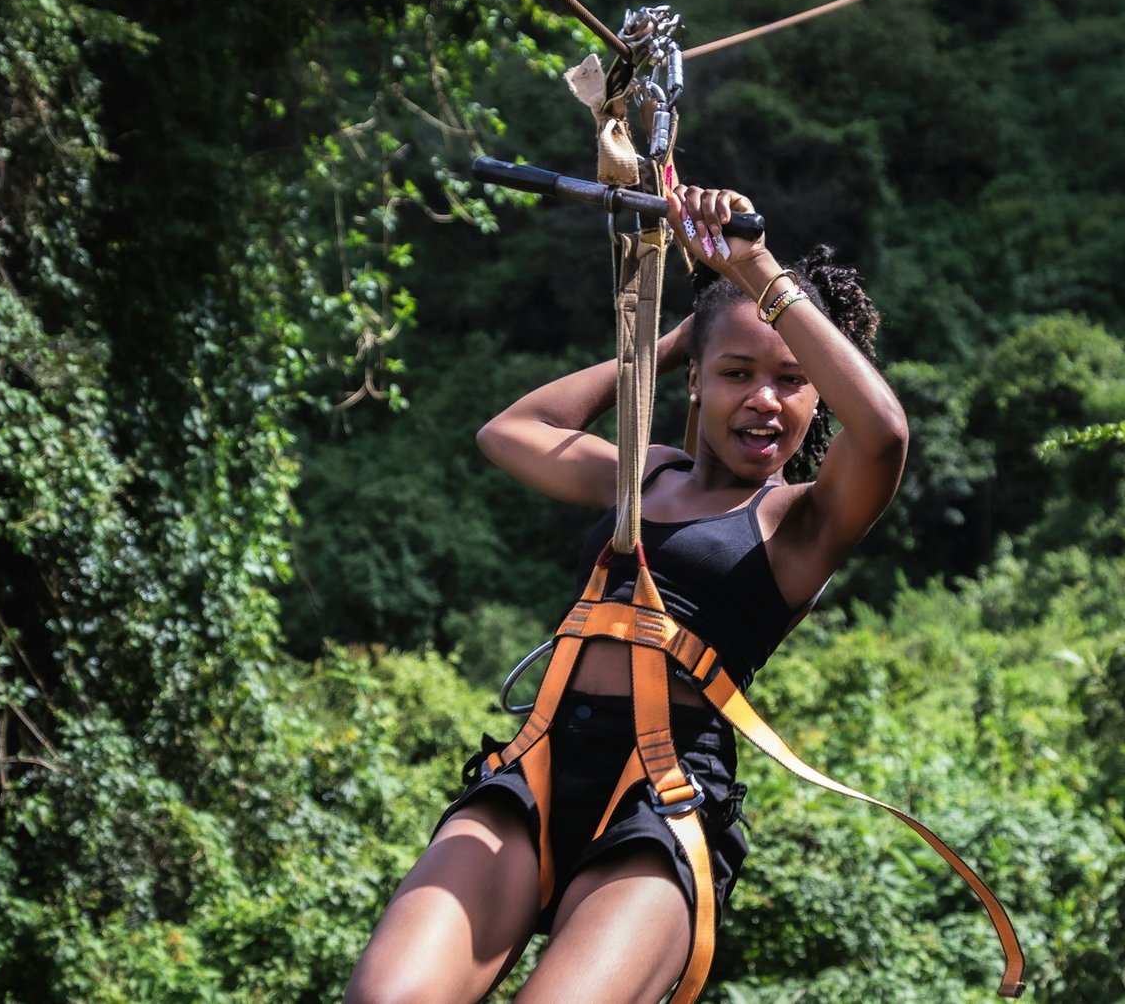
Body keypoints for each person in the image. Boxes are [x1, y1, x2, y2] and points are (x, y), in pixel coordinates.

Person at [345, 183, 909, 1004]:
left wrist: (755, 269)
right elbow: (510, 434)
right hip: (535, 762)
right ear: (694, 382)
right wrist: (672, 340)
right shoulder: (645, 473)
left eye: (791, 380)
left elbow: (885, 432)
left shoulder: (800, 520)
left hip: (664, 794)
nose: (762, 398)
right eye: (736, 372)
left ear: (818, 393)